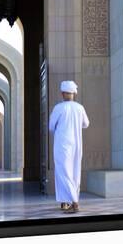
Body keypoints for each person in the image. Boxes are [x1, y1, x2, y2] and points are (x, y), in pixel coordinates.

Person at [48, 80, 90, 213]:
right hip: (77, 144)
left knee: (63, 172)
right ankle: (68, 202)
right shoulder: (80, 108)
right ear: (73, 93)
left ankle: (74, 202)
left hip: (62, 144)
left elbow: (51, 127)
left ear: (62, 93)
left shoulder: (58, 108)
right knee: (74, 173)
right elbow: (86, 124)